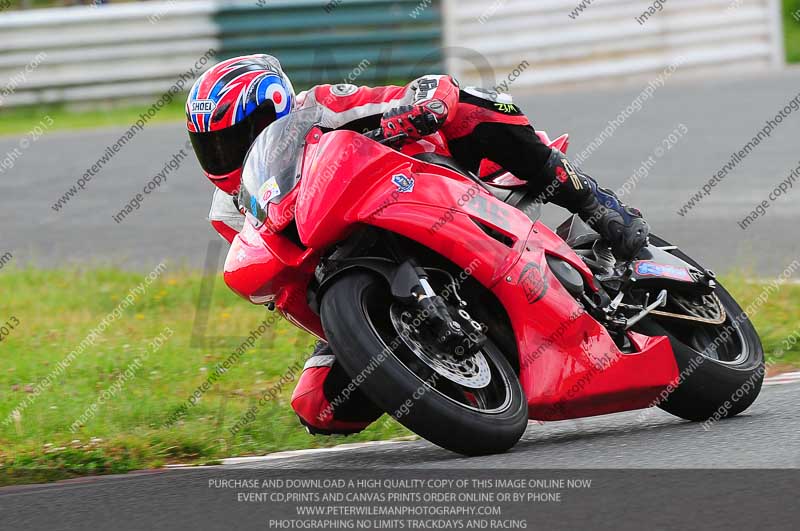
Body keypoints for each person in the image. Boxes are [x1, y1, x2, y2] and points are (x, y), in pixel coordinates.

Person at [186, 54, 650, 434]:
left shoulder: (322, 106)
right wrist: (356, 338)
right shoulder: (229, 212)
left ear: (277, 107)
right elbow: (285, 283)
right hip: (349, 269)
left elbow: (407, 95)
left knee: (472, 106)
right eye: (214, 146)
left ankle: (593, 202)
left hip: (427, 184)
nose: (228, 154)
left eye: (236, 137)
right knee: (319, 406)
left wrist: (417, 104)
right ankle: (432, 363)